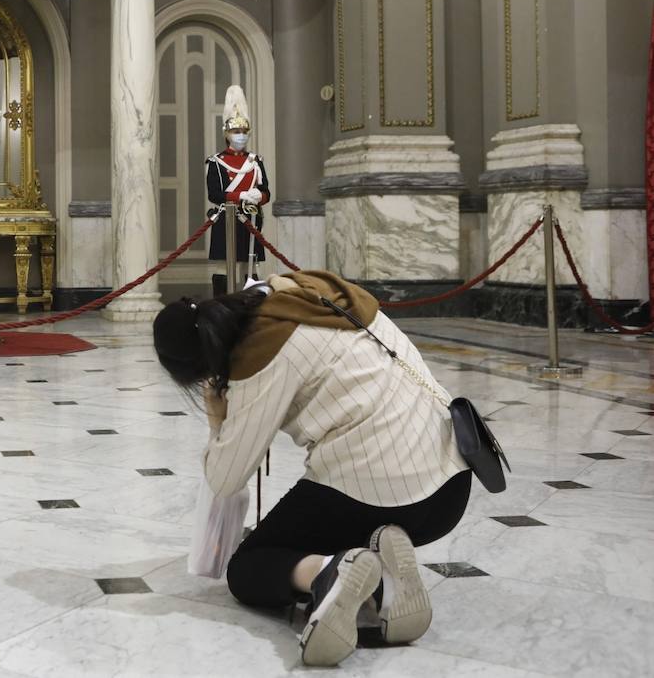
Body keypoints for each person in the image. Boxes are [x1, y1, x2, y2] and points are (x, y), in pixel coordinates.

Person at [152, 271, 472, 667]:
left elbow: (225, 479)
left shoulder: (259, 352)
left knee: (249, 566)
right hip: (452, 485)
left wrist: (217, 419)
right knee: (330, 509)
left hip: (381, 492)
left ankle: (329, 573)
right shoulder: (310, 290)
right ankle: (386, 571)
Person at [206, 85, 270, 294]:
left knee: (249, 267)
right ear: (227, 133)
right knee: (224, 268)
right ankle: (222, 306)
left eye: (244, 132)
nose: (241, 135)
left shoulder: (256, 161)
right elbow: (214, 194)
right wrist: (240, 195)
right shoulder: (216, 162)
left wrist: (259, 195)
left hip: (250, 220)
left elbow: (266, 191)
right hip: (227, 219)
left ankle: (249, 309)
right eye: (236, 131)